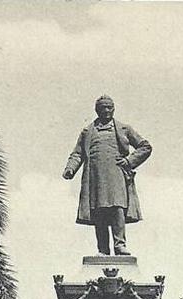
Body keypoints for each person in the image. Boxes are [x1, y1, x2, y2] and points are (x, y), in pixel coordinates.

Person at [63, 95, 152, 256]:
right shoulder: (87, 131)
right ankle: (103, 249)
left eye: (109, 107)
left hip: (117, 175)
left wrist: (129, 161)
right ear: (97, 110)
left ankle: (120, 245)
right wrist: (70, 168)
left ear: (114, 109)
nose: (106, 110)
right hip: (95, 177)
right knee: (99, 210)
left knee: (117, 208)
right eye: (103, 108)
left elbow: (145, 146)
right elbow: (77, 154)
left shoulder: (124, 129)